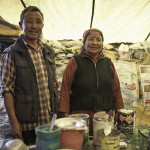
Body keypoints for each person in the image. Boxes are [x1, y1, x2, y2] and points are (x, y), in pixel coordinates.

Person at [0, 6, 58, 145]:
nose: (34, 26)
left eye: (38, 22)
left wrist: (57, 113)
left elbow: (55, 85)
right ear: (21, 25)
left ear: (42, 25)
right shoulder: (12, 53)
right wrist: (14, 123)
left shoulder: (48, 52)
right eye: (29, 21)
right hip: (26, 125)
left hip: (48, 123)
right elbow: (7, 90)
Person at [59, 28, 124, 136]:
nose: (95, 43)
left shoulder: (108, 63)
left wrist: (119, 112)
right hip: (80, 118)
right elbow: (65, 89)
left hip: (104, 117)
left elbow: (116, 91)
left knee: (102, 144)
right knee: (81, 145)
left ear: (102, 44)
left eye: (98, 40)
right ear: (84, 43)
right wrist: (64, 113)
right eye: (91, 39)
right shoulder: (75, 62)